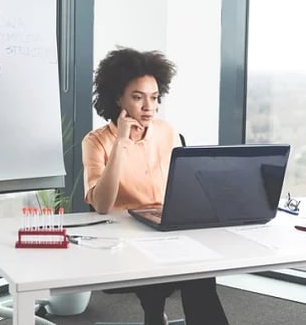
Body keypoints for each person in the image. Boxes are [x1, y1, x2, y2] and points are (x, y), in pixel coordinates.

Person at [82, 47, 229, 325]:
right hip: (124, 238)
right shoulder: (96, 141)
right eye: (138, 98)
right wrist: (122, 143)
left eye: (154, 97)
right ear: (118, 98)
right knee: (182, 271)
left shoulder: (167, 132)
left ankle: (158, 313)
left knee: (200, 272)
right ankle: (153, 311)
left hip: (165, 227)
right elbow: (101, 205)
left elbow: (181, 188)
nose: (149, 107)